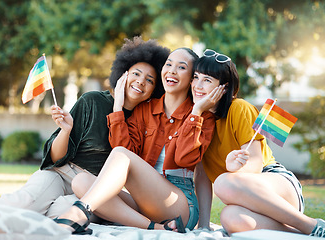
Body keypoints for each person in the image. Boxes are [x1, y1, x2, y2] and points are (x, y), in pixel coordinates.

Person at [0, 37, 170, 219]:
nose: (140, 82)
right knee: (26, 203)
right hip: (60, 173)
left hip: (92, 188)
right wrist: (66, 131)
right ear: (123, 74)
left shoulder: (144, 122)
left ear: (154, 90)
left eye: (149, 80)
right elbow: (54, 158)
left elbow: (124, 155)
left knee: (60, 213)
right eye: (136, 74)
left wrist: (118, 111)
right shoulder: (92, 101)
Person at [54, 48, 223, 235]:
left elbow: (185, 159)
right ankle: (155, 227)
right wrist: (117, 106)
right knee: (81, 181)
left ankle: (79, 211)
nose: (172, 71)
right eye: (169, 64)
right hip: (145, 200)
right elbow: (125, 152)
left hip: (179, 204)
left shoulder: (202, 116)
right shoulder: (145, 110)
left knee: (117, 156)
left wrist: (196, 112)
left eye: (181, 67)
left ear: (192, 78)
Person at [193, 49, 325, 239]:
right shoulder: (195, 121)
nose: (197, 85)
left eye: (207, 80)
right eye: (195, 77)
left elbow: (255, 163)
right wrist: (203, 226)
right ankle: (309, 233)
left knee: (223, 182)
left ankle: (310, 224)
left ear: (224, 87)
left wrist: (235, 169)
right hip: (244, 200)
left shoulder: (239, 108)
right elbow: (202, 176)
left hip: (275, 184)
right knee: (229, 218)